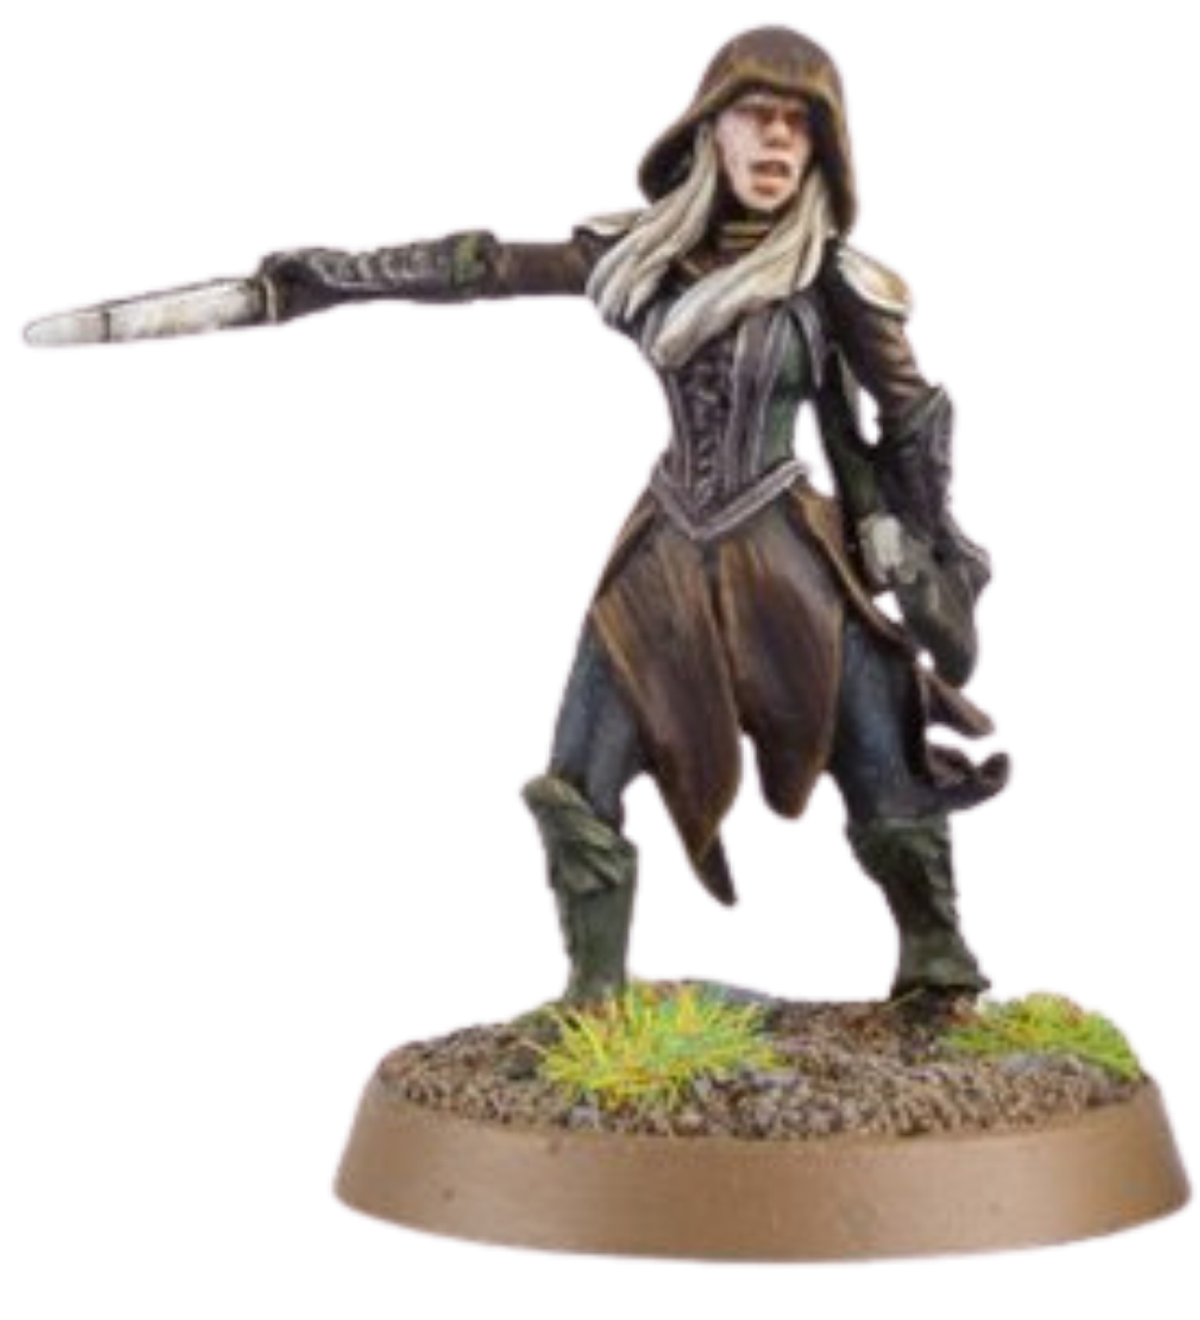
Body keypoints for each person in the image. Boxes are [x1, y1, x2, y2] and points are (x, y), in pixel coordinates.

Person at [19, 21, 1015, 1014]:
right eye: (758, 115)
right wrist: (304, 281)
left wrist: (923, 547)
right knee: (580, 770)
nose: (777, 142)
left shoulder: (837, 280)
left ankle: (939, 966)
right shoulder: (638, 255)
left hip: (789, 542)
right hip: (667, 543)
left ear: (825, 150)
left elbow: (912, 417)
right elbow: (482, 266)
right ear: (710, 126)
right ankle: (593, 1000)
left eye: (801, 126)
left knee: (881, 753)